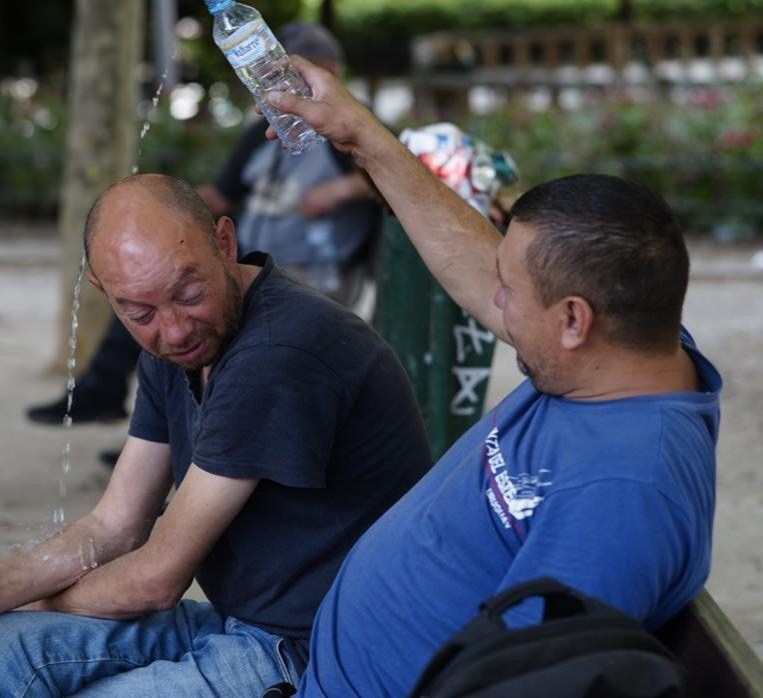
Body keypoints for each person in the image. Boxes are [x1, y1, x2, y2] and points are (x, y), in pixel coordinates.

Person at [260, 59, 723, 695]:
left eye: (510, 291)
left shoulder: (620, 494)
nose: (494, 302)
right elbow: (482, 271)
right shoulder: (630, 353)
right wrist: (362, 134)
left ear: (572, 319)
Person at [0, 174, 433, 696]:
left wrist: (2, 600)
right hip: (245, 624)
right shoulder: (180, 346)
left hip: (317, 651)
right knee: (3, 649)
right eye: (138, 310)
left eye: (189, 294)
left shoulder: (277, 352)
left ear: (224, 242)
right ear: (103, 289)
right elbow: (114, 525)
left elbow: (155, 580)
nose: (172, 329)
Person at [25, 22, 382, 432]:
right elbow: (221, 195)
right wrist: (160, 209)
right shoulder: (259, 132)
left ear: (331, 74)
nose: (290, 87)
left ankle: (188, 441)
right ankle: (110, 397)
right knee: (146, 289)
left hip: (309, 268)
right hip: (249, 253)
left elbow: (396, 170)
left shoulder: (346, 132)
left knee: (192, 308)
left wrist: (340, 189)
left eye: (304, 75)